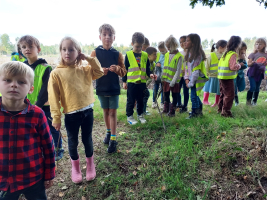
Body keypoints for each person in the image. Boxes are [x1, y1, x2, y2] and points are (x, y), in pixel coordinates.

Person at [48, 36, 104, 183]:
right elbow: (53, 97)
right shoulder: (56, 73)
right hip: (71, 115)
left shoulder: (85, 69)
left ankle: (90, 165)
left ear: (78, 52)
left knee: (87, 139)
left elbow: (99, 72)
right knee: (72, 142)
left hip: (87, 112)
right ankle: (76, 168)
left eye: (71, 49)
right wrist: (56, 117)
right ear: (60, 52)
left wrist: (88, 58)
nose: (67, 52)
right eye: (64, 49)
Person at [0, 61, 55, 200]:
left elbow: (48, 147)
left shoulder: (37, 114)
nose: (14, 85)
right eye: (7, 80)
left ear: (31, 88)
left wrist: (49, 174)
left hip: (33, 177)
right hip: (3, 180)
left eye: (21, 82)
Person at [18, 35, 64, 161]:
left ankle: (58, 148)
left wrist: (37, 105)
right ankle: (41, 148)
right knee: (35, 128)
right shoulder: (21, 67)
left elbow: (45, 90)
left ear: (38, 49)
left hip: (45, 105)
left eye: (31, 46)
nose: (27, 49)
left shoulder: (45, 67)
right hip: (28, 105)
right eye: (24, 47)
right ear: (20, 50)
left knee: (51, 128)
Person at [90, 24, 127, 153]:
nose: (107, 37)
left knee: (112, 112)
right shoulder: (95, 52)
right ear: (100, 37)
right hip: (101, 88)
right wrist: (100, 72)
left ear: (114, 37)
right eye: (104, 35)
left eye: (110, 35)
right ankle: (108, 132)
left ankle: (113, 139)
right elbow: (90, 72)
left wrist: (117, 69)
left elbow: (123, 72)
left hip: (113, 88)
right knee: (105, 111)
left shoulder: (117, 54)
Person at [122, 32, 156, 125]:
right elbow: (125, 69)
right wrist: (124, 81)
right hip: (132, 83)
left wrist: (151, 74)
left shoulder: (145, 55)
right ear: (132, 44)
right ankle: (130, 116)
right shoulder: (128, 55)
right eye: (137, 46)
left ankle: (140, 115)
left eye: (141, 46)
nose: (139, 48)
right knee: (131, 101)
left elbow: (148, 68)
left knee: (140, 100)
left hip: (142, 83)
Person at [184, 34, 208, 119]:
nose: (185, 42)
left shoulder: (197, 55)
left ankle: (195, 113)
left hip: (196, 79)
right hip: (191, 78)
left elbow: (196, 71)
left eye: (187, 40)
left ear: (193, 43)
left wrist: (191, 83)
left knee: (193, 96)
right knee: (195, 95)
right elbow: (187, 68)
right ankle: (199, 111)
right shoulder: (189, 54)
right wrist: (186, 78)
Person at [217, 36, 241, 117]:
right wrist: (239, 65)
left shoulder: (225, 53)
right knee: (230, 95)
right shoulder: (233, 54)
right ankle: (226, 112)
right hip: (227, 78)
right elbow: (233, 67)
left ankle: (220, 108)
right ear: (238, 45)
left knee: (223, 94)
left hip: (221, 77)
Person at [161, 35, 183, 117]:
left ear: (174, 45)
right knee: (166, 94)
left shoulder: (179, 56)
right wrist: (162, 78)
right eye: (167, 47)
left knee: (174, 96)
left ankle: (172, 112)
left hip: (174, 81)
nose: (168, 48)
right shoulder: (166, 54)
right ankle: (166, 109)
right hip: (166, 80)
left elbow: (178, 70)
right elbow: (164, 67)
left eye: (169, 46)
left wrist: (173, 81)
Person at [202, 40, 227, 107]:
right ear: (221, 47)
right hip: (210, 76)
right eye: (226, 47)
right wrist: (206, 74)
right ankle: (205, 100)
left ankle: (216, 102)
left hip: (220, 76)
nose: (226, 49)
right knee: (207, 88)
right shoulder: (211, 55)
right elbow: (206, 66)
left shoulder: (224, 55)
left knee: (218, 90)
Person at [246, 38, 267, 106]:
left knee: (257, 88)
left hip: (260, 73)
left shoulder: (265, 55)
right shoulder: (253, 54)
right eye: (256, 44)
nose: (258, 46)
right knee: (253, 87)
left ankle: (254, 102)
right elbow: (248, 64)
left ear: (264, 45)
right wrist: (251, 63)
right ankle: (248, 103)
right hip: (252, 73)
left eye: (260, 44)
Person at [143, 47, 158, 115]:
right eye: (154, 54)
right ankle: (141, 111)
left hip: (145, 84)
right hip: (141, 83)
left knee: (145, 95)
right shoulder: (144, 62)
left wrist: (154, 76)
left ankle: (143, 111)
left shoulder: (154, 64)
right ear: (148, 55)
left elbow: (152, 74)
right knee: (145, 95)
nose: (156, 56)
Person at [152, 41, 167, 110]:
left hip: (164, 74)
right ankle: (154, 102)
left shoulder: (168, 55)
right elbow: (154, 61)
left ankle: (162, 103)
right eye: (160, 51)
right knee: (155, 88)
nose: (162, 52)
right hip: (157, 74)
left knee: (163, 89)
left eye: (163, 51)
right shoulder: (158, 54)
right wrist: (157, 63)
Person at [177, 35, 189, 113]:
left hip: (187, 75)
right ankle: (179, 104)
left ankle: (185, 106)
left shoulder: (190, 52)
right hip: (179, 75)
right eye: (180, 42)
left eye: (184, 41)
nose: (182, 43)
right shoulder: (179, 53)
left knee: (185, 91)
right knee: (177, 90)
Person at [234, 42, 248, 106]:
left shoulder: (243, 57)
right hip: (234, 75)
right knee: (234, 88)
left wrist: (243, 64)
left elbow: (246, 65)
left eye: (244, 49)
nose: (243, 51)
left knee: (240, 87)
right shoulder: (234, 56)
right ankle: (236, 101)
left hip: (240, 75)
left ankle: (236, 101)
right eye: (242, 49)